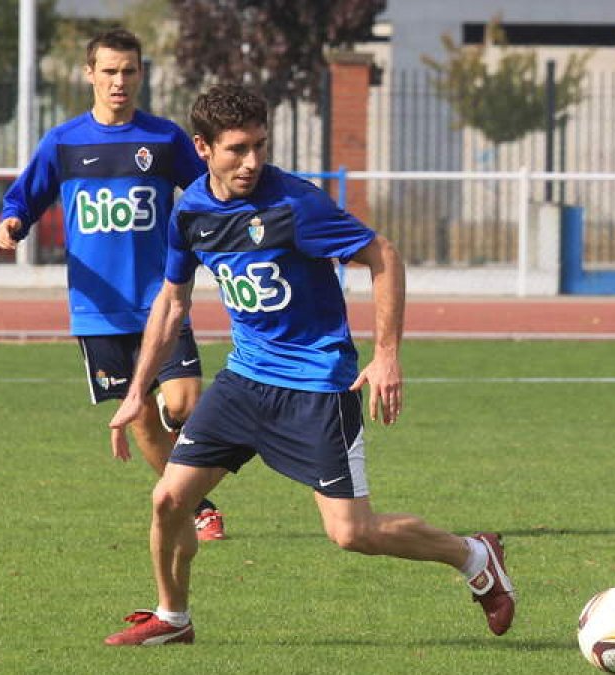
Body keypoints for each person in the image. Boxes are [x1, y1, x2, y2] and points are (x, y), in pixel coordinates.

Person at [101, 84, 515, 646]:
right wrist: (137, 390)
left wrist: (387, 354)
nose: (251, 162)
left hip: (315, 387)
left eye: (259, 146)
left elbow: (382, 255)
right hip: (243, 382)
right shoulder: (190, 210)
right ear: (202, 147)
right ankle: (173, 618)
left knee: (352, 532)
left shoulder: (296, 205)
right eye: (236, 149)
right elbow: (173, 300)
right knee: (169, 499)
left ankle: (473, 555)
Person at [0, 29, 226, 540]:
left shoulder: (164, 138)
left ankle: (192, 468)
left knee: (184, 403)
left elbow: (209, 190)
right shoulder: (64, 141)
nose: (119, 81)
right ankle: (199, 505)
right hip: (97, 309)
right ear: (89, 75)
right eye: (109, 71)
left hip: (160, 301)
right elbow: (24, 199)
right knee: (142, 419)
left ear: (141, 74)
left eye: (128, 71)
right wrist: (11, 224)